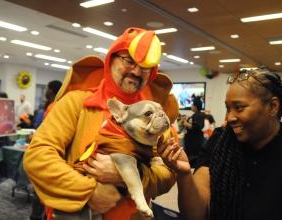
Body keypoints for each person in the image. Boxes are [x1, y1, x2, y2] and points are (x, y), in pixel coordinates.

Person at [23, 27, 179, 220]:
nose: (137, 72)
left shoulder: (155, 113)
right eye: (129, 61)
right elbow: (38, 156)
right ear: (111, 59)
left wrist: (127, 175)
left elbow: (169, 172)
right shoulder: (77, 102)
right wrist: (89, 191)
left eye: (145, 67)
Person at [159, 68, 282, 220]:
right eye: (228, 108)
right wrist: (184, 175)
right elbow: (197, 214)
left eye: (239, 108)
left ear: (273, 106)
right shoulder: (220, 142)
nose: (230, 117)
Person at [29, 80, 62, 220]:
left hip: (49, 155)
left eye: (47, 88)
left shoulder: (55, 106)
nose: (45, 91)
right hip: (48, 152)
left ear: (52, 90)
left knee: (40, 192)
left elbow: (49, 132)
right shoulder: (53, 105)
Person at [181, 96, 205, 168]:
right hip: (193, 140)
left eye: (192, 105)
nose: (191, 106)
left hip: (194, 141)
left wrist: (185, 123)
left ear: (195, 106)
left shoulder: (198, 115)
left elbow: (196, 127)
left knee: (193, 158)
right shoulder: (198, 115)